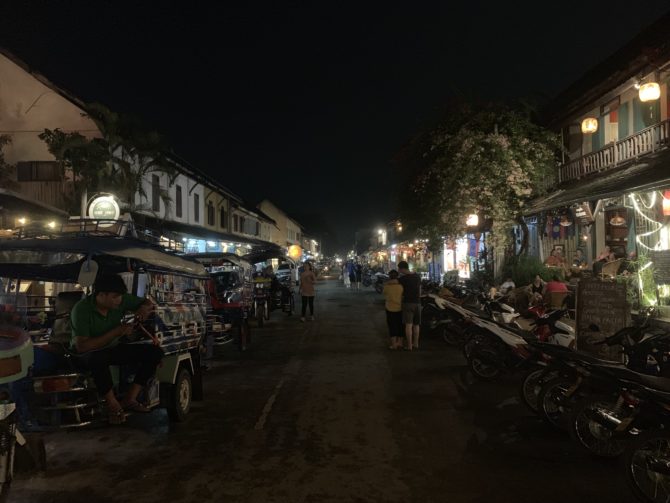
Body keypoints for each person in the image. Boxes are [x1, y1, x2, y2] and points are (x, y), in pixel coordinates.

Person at [70, 273, 162, 424]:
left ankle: (130, 399)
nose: (119, 300)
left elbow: (148, 302)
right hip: (86, 354)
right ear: (100, 295)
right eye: (114, 297)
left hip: (112, 348)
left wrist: (144, 308)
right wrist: (117, 331)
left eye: (120, 296)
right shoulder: (81, 309)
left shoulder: (120, 301)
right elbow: (82, 347)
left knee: (154, 353)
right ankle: (112, 405)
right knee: (98, 359)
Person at [397, 261, 421, 350]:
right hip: (417, 302)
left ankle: (409, 346)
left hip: (408, 303)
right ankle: (416, 344)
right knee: (416, 325)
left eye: (399, 269)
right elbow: (419, 291)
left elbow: (393, 282)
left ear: (402, 269)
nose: (399, 271)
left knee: (408, 325)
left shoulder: (403, 279)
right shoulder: (417, 277)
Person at [382, 270, 404, 350]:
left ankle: (394, 344)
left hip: (390, 308)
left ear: (389, 277)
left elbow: (384, 293)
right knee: (400, 326)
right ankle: (400, 343)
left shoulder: (387, 287)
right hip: (400, 308)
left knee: (392, 326)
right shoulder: (401, 286)